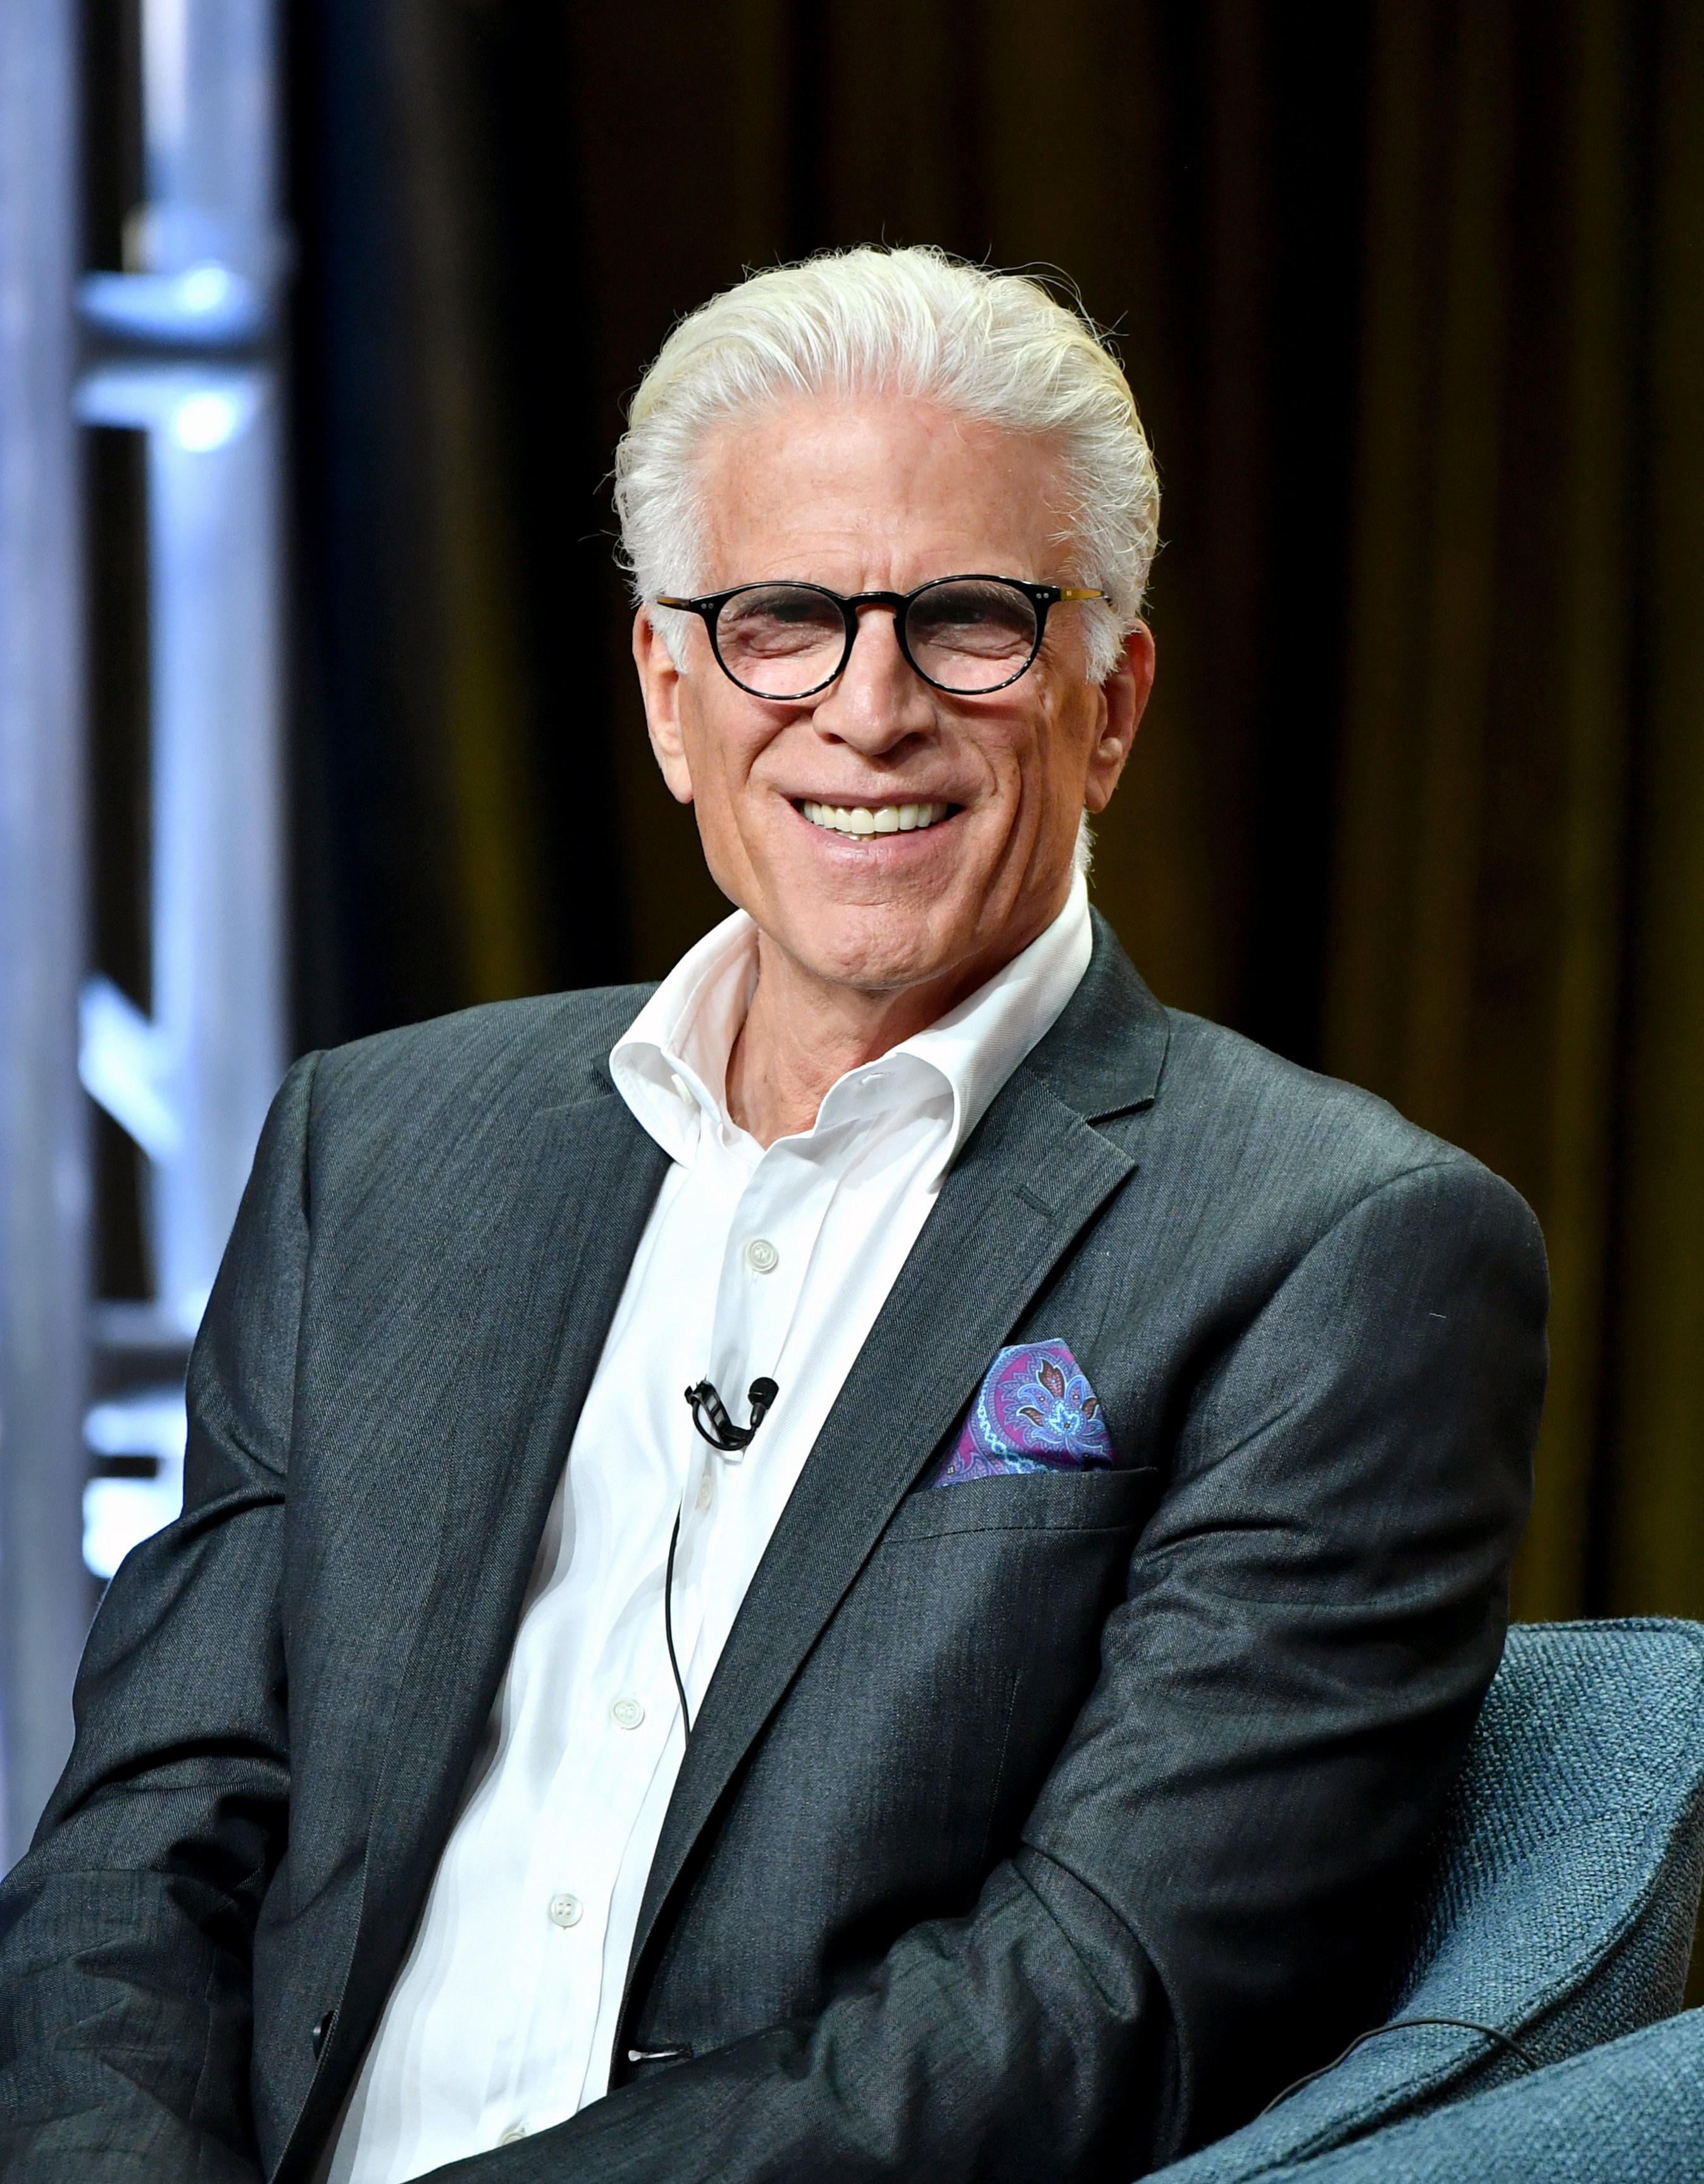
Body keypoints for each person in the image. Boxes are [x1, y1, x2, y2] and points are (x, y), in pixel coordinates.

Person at [0, 248, 1546, 2184]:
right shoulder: (374, 1145)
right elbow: (150, 1830)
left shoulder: (1342, 1247)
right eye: (780, 621)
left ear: (1112, 702)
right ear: (669, 692)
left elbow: (1102, 1991)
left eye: (972, 621)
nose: (869, 708)